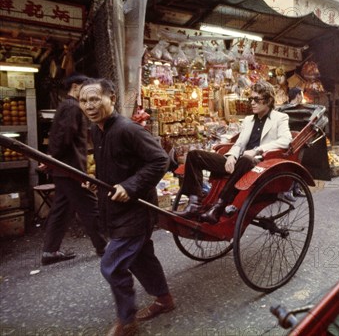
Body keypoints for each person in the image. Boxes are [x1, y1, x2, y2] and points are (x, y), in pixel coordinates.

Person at [78, 78, 174, 336]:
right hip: (115, 209)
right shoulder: (97, 130)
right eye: (83, 100)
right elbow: (114, 165)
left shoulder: (128, 129)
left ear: (112, 98)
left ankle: (127, 321)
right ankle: (165, 300)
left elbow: (159, 160)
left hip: (136, 210)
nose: (89, 105)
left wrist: (130, 186)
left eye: (95, 99)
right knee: (142, 259)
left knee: (112, 265)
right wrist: (100, 183)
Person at [176, 81, 292, 223]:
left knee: (246, 160)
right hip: (240, 161)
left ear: (268, 100)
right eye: (251, 99)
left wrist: (257, 151)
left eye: (257, 99)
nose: (252, 103)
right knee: (195, 155)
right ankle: (194, 204)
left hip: (260, 164)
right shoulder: (248, 120)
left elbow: (286, 140)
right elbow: (239, 143)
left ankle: (219, 206)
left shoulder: (280, 118)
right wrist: (231, 155)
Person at [40, 73, 107, 266]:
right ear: (76, 87)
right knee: (89, 206)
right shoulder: (73, 106)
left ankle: (50, 251)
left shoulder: (66, 105)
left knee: (61, 209)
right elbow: (65, 134)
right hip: (70, 167)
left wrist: (52, 157)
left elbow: (60, 134)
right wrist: (53, 157)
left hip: (64, 166)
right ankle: (103, 245)